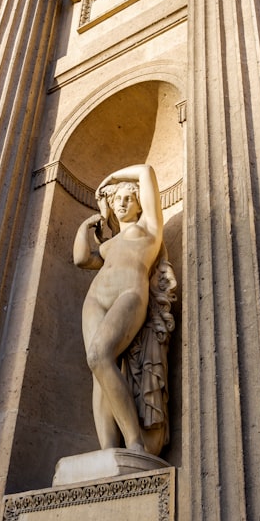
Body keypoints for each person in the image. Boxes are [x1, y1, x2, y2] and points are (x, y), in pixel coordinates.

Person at [73, 164, 172, 455]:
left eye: (129, 198)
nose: (122, 203)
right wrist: (86, 226)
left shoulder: (150, 229)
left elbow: (146, 171)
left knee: (99, 355)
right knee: (98, 370)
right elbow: (80, 259)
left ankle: (135, 443)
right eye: (117, 200)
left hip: (130, 293)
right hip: (95, 300)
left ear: (140, 203)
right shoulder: (108, 245)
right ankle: (108, 450)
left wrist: (112, 178)